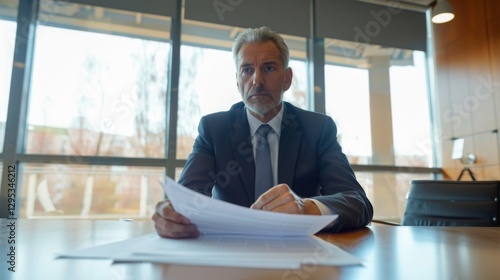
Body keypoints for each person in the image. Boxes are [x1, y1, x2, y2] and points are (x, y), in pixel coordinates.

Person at [152, 26, 373, 238]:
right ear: (238, 81)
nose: (257, 80)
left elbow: (357, 202)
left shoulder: (317, 129)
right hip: (231, 256)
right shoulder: (213, 129)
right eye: (247, 69)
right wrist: (172, 215)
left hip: (300, 255)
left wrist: (308, 209)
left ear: (287, 78)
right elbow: (187, 199)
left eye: (268, 68)